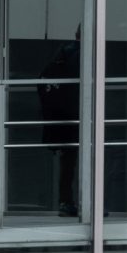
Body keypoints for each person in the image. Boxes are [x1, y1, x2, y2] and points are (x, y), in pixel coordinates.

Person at [38, 25, 81, 218]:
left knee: (68, 162)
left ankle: (66, 201)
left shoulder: (62, 53)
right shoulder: (83, 55)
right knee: (90, 158)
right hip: (78, 116)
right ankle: (89, 202)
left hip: (62, 119)